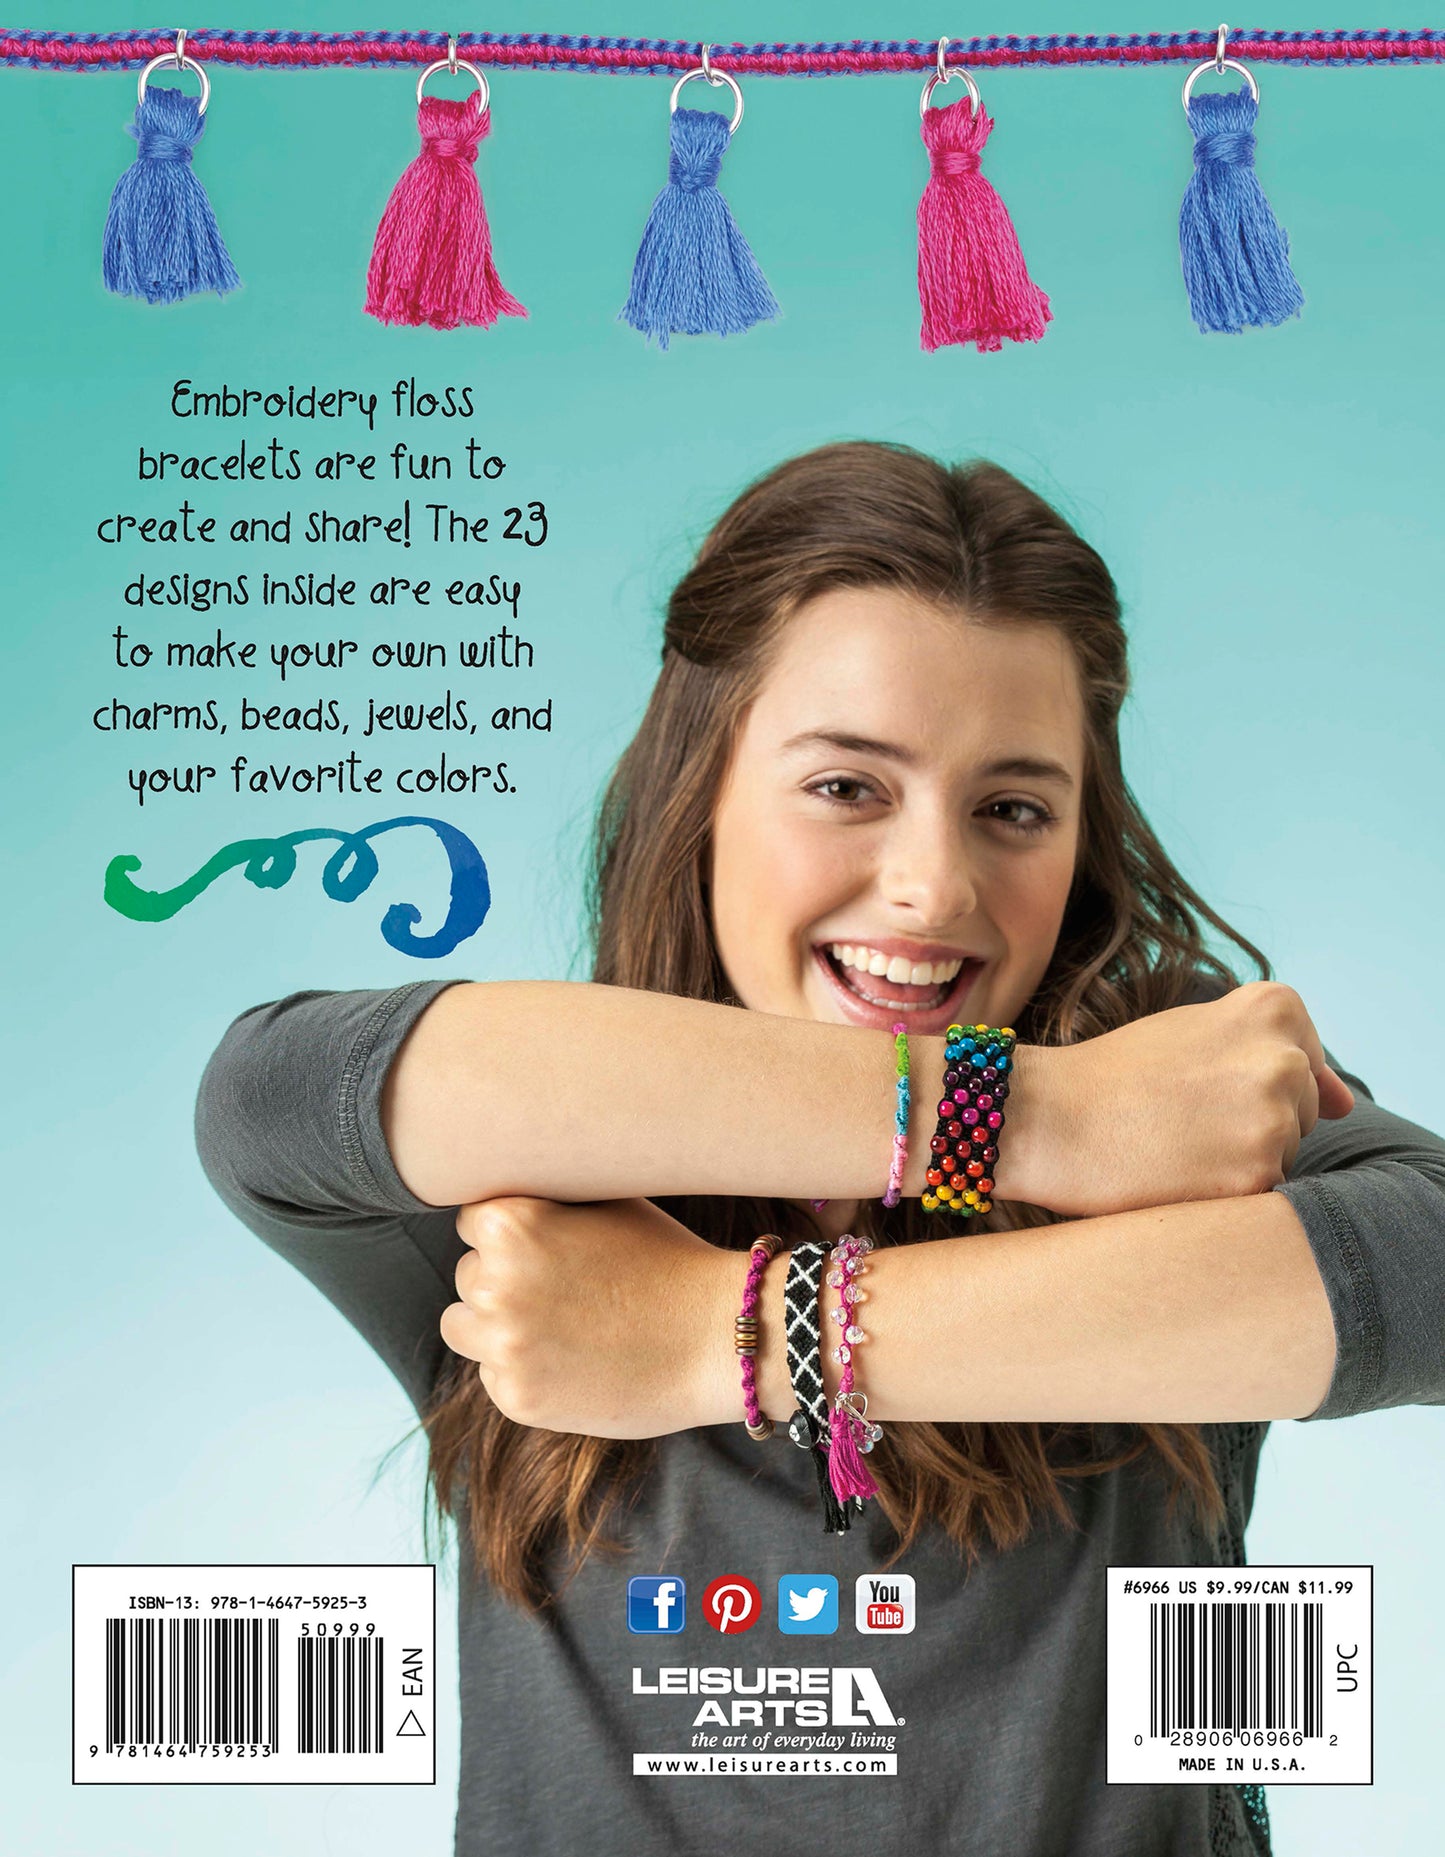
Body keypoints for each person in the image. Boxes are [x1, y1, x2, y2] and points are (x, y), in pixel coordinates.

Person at [195, 440, 1445, 1857]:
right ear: (702, 791)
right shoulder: (539, 1144)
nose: (932, 885)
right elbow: (270, 1099)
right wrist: (1036, 1117)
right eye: (848, 786)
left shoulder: (1170, 1076)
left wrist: (720, 1330)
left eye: (1013, 808)